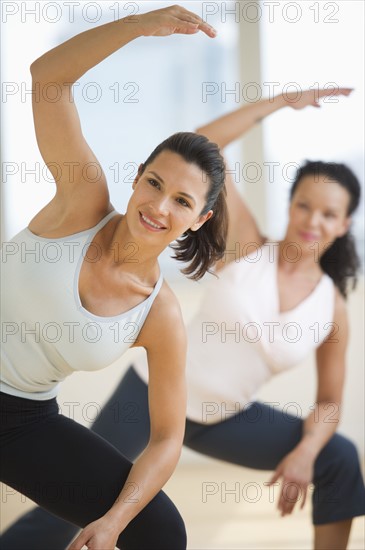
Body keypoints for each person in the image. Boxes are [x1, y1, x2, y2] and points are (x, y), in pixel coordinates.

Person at [3, 87, 363, 550]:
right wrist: (278, 103)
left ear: (344, 224)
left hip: (226, 417)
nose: (312, 220)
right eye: (304, 205)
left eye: (328, 213)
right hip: (148, 397)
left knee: (340, 456)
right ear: (289, 205)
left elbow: (329, 402)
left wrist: (307, 452)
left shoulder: (331, 308)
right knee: (71, 511)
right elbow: (203, 147)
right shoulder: (247, 247)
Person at [0, 6, 230, 550]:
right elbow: (48, 80)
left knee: (161, 530)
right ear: (136, 177)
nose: (157, 205)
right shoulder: (81, 204)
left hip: (21, 421)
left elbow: (168, 438)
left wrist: (114, 520)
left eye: (180, 200)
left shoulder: (160, 313)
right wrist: (137, 26)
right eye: (153, 183)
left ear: (198, 219)